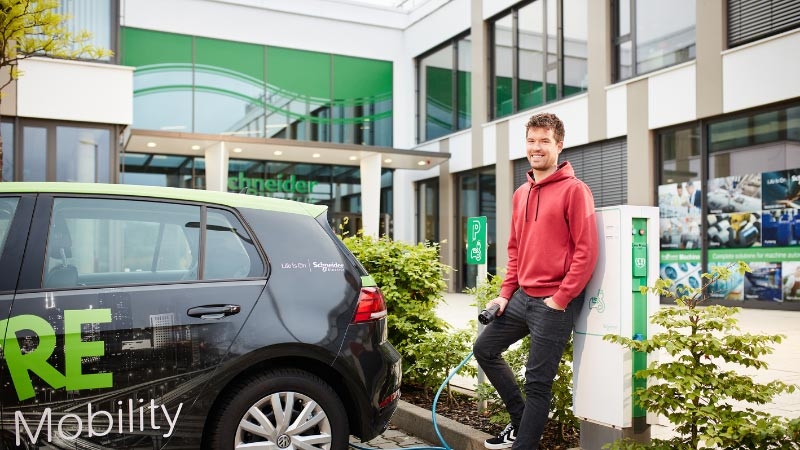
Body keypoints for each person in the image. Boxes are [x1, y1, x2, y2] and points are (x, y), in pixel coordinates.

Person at [473, 112, 599, 450]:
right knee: (484, 348)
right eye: (531, 141)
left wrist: (561, 298)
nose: (536, 147)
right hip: (521, 298)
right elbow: (515, 250)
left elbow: (586, 251)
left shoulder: (575, 191)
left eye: (544, 141)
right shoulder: (520, 194)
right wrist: (503, 295)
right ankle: (519, 423)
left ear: (559, 145)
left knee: (538, 383)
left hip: (554, 303)